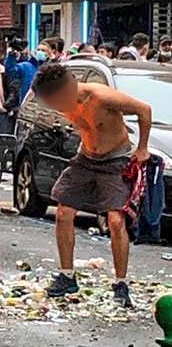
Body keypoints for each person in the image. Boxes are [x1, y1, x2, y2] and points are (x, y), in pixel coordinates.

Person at [30, 62, 151, 308]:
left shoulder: (100, 96)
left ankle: (120, 283)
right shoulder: (65, 103)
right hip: (85, 158)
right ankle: (67, 276)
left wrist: (142, 148)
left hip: (115, 159)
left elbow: (144, 110)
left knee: (116, 220)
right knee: (63, 213)